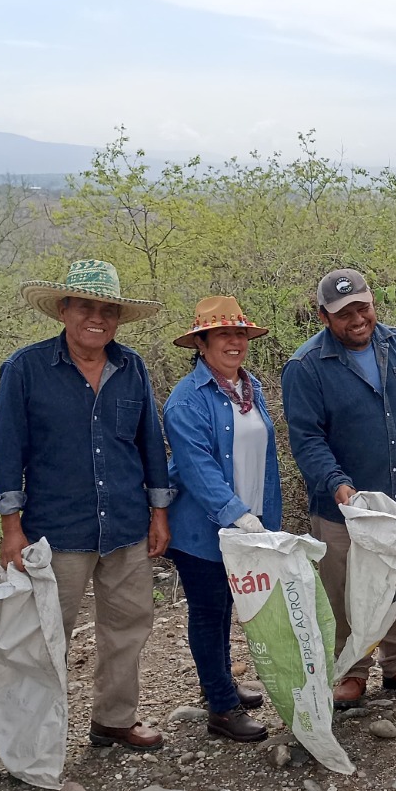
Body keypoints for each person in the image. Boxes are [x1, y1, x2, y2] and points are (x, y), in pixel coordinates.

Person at [0, 259, 172, 752]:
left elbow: (149, 443)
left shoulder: (131, 367)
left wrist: (159, 512)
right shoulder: (25, 369)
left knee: (128, 627)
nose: (97, 318)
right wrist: (11, 527)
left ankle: (114, 719)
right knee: (47, 637)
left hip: (127, 527)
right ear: (63, 310)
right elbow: (7, 451)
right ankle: (36, 739)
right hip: (56, 530)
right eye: (85, 306)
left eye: (107, 309)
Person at [281, 268, 396, 709]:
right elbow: (307, 438)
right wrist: (337, 484)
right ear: (322, 316)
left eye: (363, 308)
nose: (356, 319)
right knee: (344, 590)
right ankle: (351, 671)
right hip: (342, 509)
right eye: (344, 312)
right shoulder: (305, 366)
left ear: (373, 304)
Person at [162, 295, 282, 743]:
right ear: (202, 343)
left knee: (232, 607)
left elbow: (263, 459)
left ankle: (222, 683)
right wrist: (238, 516)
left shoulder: (251, 389)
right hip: (203, 529)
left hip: (248, 523)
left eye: (239, 334)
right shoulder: (186, 400)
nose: (234, 342)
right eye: (223, 335)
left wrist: (264, 521)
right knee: (210, 613)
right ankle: (220, 707)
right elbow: (197, 469)